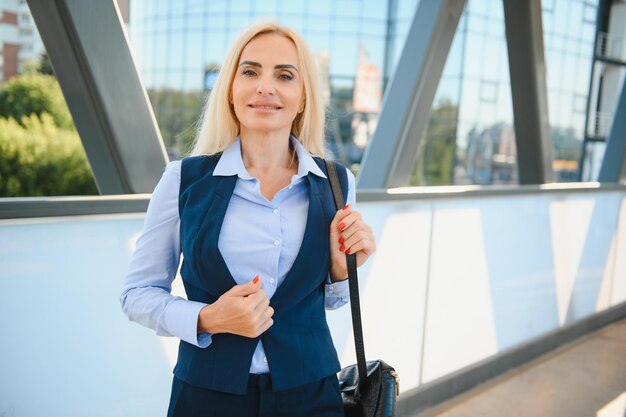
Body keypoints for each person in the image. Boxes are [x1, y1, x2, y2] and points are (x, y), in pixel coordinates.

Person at [120, 21, 376, 417]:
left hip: (312, 395)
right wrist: (207, 317)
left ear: (303, 96)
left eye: (285, 75)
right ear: (231, 89)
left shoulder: (338, 183)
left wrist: (343, 270)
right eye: (250, 71)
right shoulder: (182, 181)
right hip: (206, 397)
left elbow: (334, 302)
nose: (265, 87)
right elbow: (136, 294)